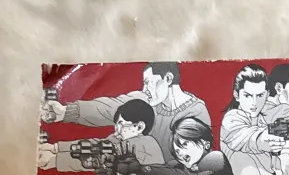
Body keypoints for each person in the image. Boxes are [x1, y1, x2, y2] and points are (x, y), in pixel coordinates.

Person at [40, 61, 210, 163]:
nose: (145, 89)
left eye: (148, 82)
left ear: (168, 78)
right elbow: (109, 107)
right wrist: (64, 112)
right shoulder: (146, 99)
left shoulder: (196, 112)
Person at [37, 99, 166, 175]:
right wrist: (56, 148)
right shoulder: (128, 142)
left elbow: (99, 156)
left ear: (139, 127)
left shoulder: (145, 144)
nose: (117, 130)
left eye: (121, 124)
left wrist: (55, 160)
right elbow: (97, 145)